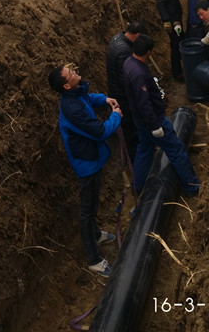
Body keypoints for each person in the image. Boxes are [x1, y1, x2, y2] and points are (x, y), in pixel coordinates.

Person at [48, 63, 122, 278]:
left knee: (92, 202)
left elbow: (88, 98)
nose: (74, 72)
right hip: (86, 162)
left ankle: (96, 234)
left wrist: (105, 100)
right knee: (87, 211)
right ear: (66, 85)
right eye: (70, 73)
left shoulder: (75, 95)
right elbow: (100, 132)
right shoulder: (72, 110)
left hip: (92, 157)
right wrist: (116, 116)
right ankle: (93, 260)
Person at [123, 35, 200, 196]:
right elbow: (144, 103)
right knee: (175, 149)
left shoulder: (128, 63)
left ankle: (137, 186)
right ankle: (192, 186)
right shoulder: (138, 74)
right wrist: (155, 126)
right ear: (148, 52)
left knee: (144, 149)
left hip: (139, 119)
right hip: (153, 120)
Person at [105, 21, 146, 162]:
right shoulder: (125, 51)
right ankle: (136, 158)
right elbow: (126, 78)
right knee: (130, 128)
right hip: (122, 95)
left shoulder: (116, 39)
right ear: (138, 35)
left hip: (115, 90)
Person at [156, 0, 185, 82]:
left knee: (184, 43)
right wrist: (166, 20)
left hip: (182, 18)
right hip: (173, 22)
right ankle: (177, 73)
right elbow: (160, 3)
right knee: (176, 47)